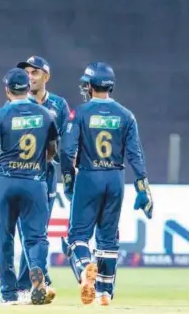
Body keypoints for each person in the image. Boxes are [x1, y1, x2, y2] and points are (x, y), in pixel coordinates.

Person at [60, 62, 153, 306]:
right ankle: (104, 292)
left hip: (89, 176)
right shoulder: (126, 115)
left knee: (78, 235)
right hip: (115, 179)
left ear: (90, 86)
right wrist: (143, 188)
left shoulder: (79, 113)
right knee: (108, 239)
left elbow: (67, 151)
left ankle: (84, 271)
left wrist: (69, 179)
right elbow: (136, 155)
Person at [0, 68, 58, 305]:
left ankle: (8, 293)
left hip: (6, 182)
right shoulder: (46, 114)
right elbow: (52, 150)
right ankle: (37, 271)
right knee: (36, 237)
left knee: (5, 238)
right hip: (35, 182)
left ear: (7, 90)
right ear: (27, 88)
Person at [14, 55, 70, 304]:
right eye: (26, 72)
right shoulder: (17, 102)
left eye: (34, 72)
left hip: (46, 176)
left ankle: (31, 283)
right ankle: (33, 282)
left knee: (37, 232)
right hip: (18, 174)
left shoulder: (58, 104)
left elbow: (66, 144)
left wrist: (69, 175)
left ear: (46, 76)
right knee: (25, 233)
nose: (29, 76)